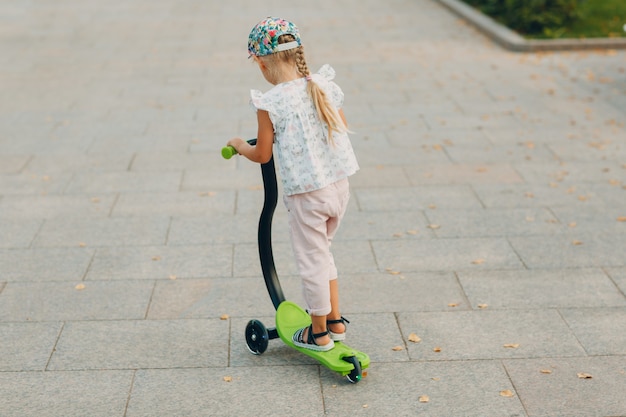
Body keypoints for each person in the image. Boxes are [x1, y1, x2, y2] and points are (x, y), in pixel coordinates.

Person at [226, 17, 359, 352]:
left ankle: (318, 335)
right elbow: (340, 127)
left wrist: (241, 146)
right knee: (323, 252)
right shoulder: (322, 84)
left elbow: (263, 153)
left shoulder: (270, 102)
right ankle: (336, 321)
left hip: (307, 195)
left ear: (261, 62)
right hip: (338, 187)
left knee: (311, 260)